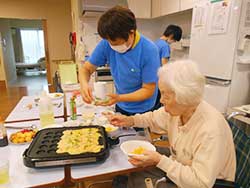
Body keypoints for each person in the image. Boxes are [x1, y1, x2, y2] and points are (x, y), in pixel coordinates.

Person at [109, 60, 236, 188]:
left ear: (183, 96)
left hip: (211, 183)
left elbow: (200, 183)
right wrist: (130, 120)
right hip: (181, 162)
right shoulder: (180, 109)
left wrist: (160, 160)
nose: (161, 100)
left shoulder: (210, 130)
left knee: (141, 177)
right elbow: (153, 118)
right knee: (135, 169)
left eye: (165, 95)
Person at [79, 6, 160, 116]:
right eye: (109, 42)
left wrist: (119, 98)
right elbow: (86, 69)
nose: (112, 45)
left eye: (116, 43)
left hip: (145, 110)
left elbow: (148, 90)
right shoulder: (106, 43)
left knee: (142, 133)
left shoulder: (149, 50)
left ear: (131, 32)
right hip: (121, 105)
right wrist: (84, 85)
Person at [154, 25, 182, 109]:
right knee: (158, 105)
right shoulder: (165, 46)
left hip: (152, 78)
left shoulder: (156, 42)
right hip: (158, 79)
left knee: (152, 104)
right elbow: (164, 66)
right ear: (171, 35)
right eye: (174, 40)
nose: (173, 42)